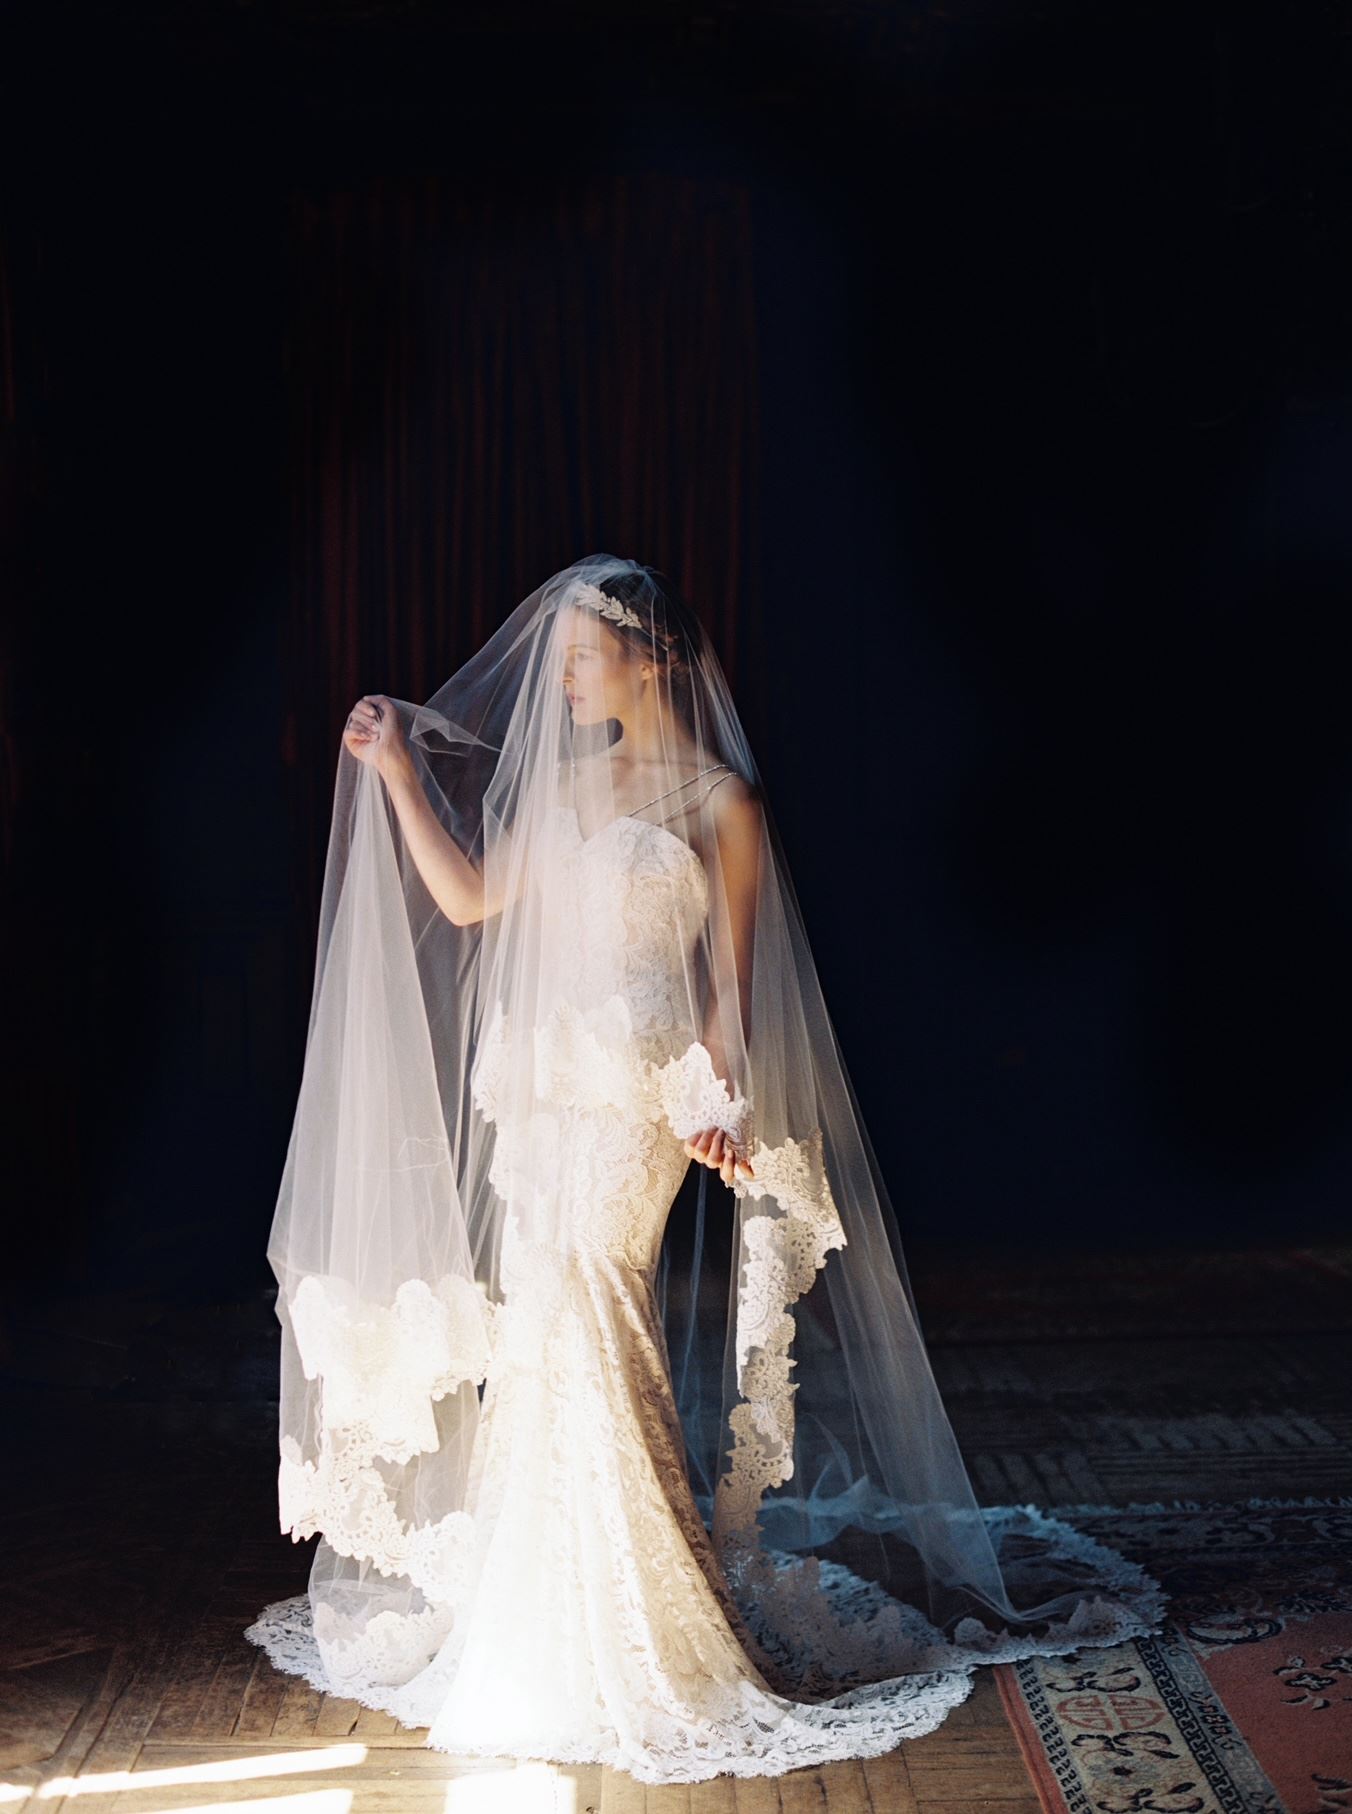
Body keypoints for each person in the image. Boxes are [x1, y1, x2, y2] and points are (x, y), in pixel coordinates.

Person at [246, 554, 1163, 1784]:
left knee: (595, 1304)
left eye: (582, 655)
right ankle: (546, 1614)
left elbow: (732, 994)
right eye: (562, 655)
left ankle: (648, 1628)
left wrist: (715, 1096)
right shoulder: (556, 785)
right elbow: (466, 899)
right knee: (545, 1331)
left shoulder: (719, 800)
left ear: (650, 655)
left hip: (635, 1101)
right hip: (537, 1098)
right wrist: (400, 776)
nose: (562, 679)